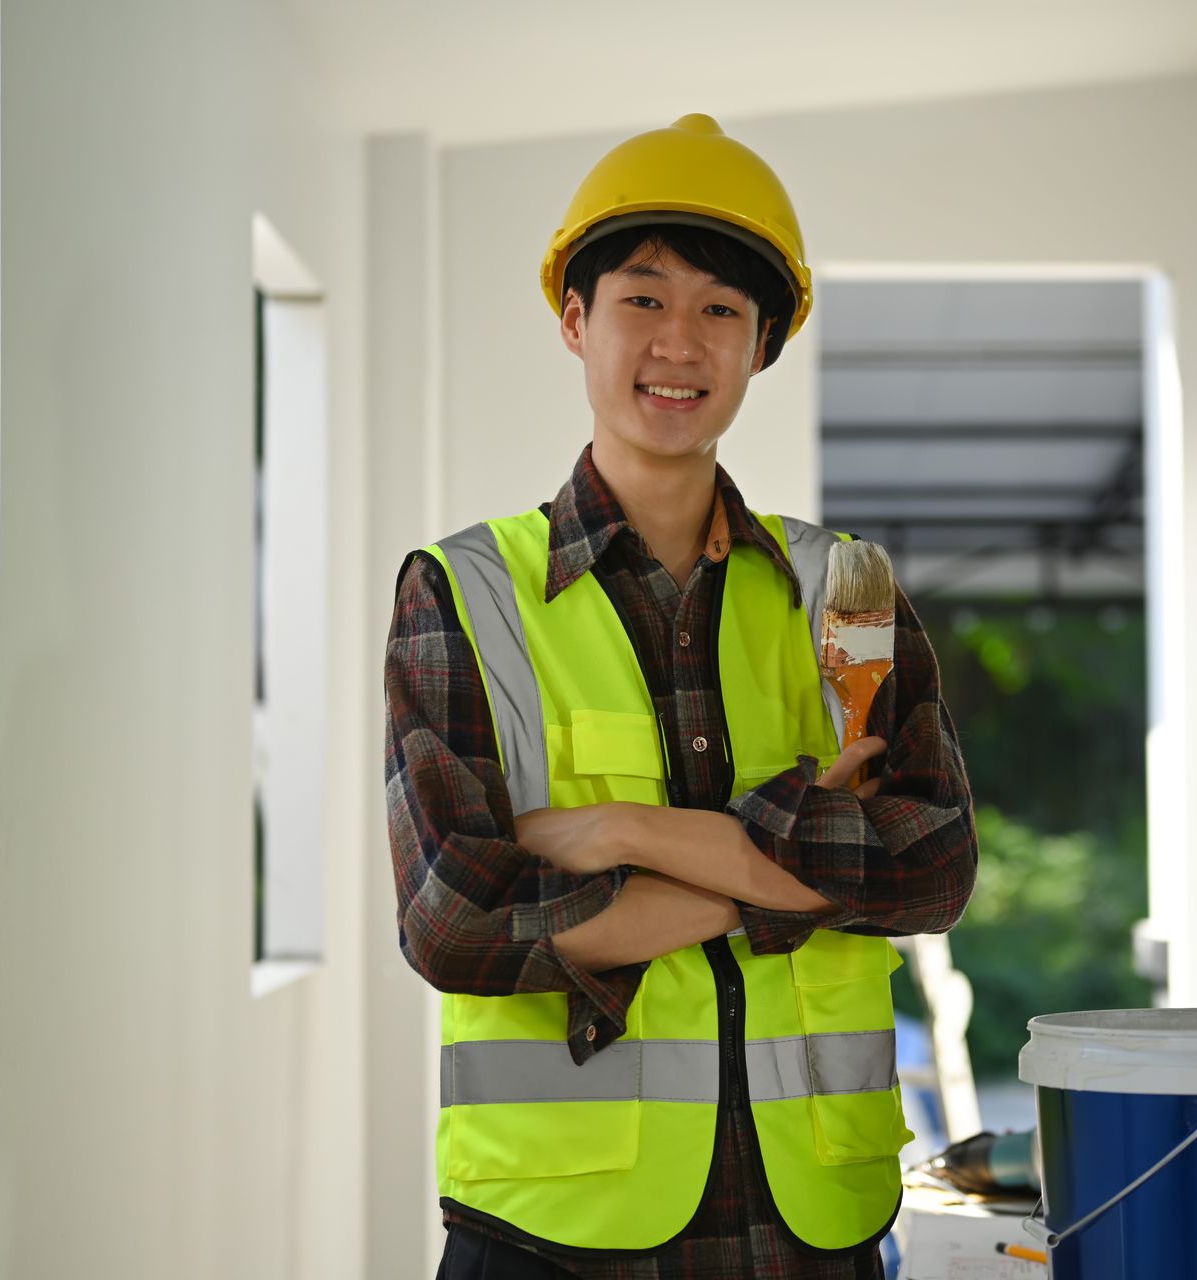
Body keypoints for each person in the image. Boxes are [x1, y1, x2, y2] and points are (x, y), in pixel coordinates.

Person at [383, 113, 979, 1279]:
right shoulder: (464, 592)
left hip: (814, 1231)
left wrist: (621, 831)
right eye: (643, 298)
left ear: (761, 345)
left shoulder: (845, 592)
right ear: (576, 319)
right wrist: (797, 869)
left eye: (719, 309)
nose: (679, 341)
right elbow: (455, 919)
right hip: (553, 1238)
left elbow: (932, 868)